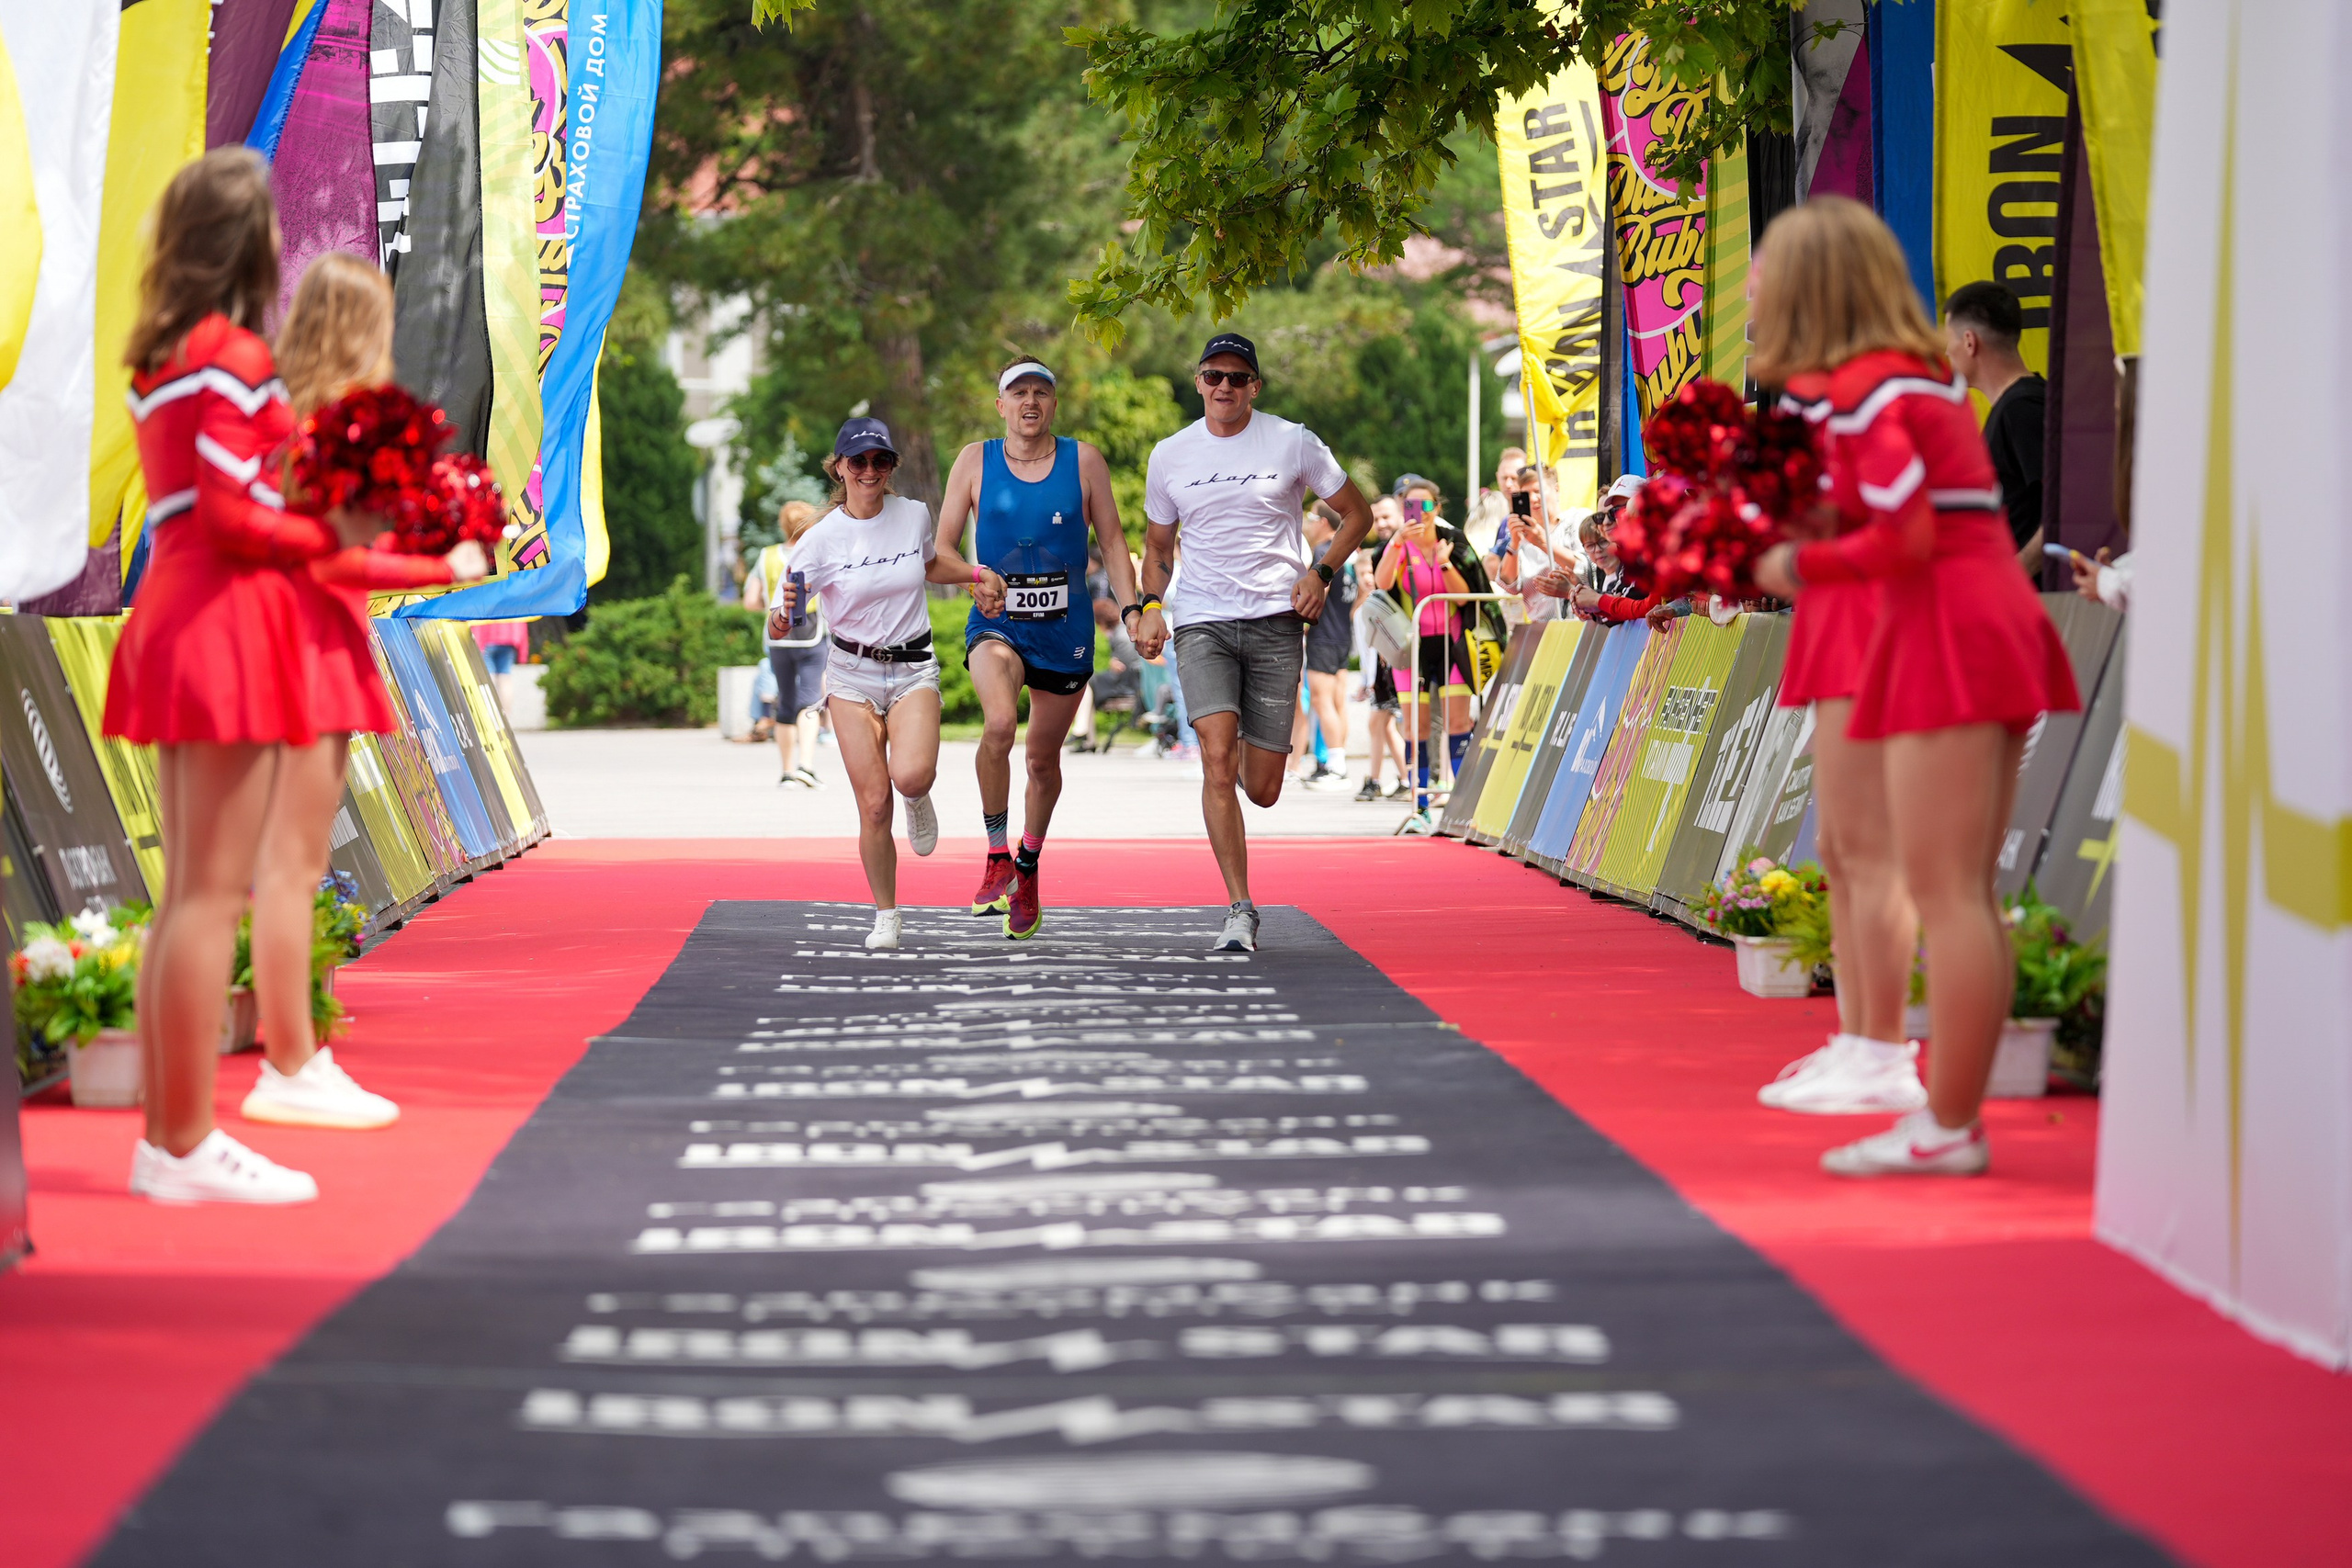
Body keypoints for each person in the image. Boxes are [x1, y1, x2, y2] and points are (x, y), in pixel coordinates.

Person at [1751, 197, 2081, 1177]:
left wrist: (1791, 567)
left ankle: (1945, 1125)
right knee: (1952, 889)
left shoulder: (1869, 390)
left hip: (1950, 630)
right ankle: (1942, 1116)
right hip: (1956, 626)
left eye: (1768, 269)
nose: (1753, 286)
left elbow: (1906, 535)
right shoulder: (1901, 386)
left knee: (1946, 892)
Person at [102, 152, 360, 1202]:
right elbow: (229, 510)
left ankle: (172, 1137)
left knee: (188, 900)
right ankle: (183, 1141)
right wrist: (318, 529)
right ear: (251, 244)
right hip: (223, 622)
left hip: (177, 613)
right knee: (212, 896)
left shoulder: (161, 354)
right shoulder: (231, 355)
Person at [1134, 333, 1376, 951]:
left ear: (1255, 387)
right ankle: (1240, 907)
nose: (1224, 387)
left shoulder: (1292, 440)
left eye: (1238, 378)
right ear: (1198, 382)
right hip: (1202, 620)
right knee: (1216, 756)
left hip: (1275, 619)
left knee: (1263, 787)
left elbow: (1358, 513)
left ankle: (1243, 736)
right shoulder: (1170, 454)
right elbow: (1159, 547)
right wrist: (1152, 606)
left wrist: (1321, 572)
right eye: (1214, 375)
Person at [771, 419, 1004, 951]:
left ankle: (917, 796)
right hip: (851, 675)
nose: (870, 471)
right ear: (839, 469)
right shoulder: (819, 539)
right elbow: (785, 619)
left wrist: (975, 573)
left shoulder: (912, 516)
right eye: (859, 462)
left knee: (912, 774)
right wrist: (783, 619)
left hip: (912, 668)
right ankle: (887, 914)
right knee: (873, 803)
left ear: (892, 467)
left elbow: (928, 564)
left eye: (881, 461)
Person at [934, 356, 1142, 939]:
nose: (1030, 402)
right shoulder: (974, 461)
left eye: (1041, 393)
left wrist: (1135, 610)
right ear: (999, 404)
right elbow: (940, 551)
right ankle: (996, 851)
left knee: (1041, 760)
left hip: (1065, 631)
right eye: (1017, 393)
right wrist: (976, 575)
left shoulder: (1085, 461)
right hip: (997, 624)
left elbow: (1115, 540)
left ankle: (1026, 864)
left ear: (1054, 403)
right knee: (1000, 724)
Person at [1372, 476, 1473, 819]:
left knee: (1458, 721)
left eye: (1427, 505)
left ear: (1437, 507)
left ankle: (1462, 805)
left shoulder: (1453, 540)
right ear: (1404, 509)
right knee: (1416, 725)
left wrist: (1444, 562)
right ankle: (1421, 804)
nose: (1420, 512)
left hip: (1454, 645)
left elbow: (1465, 597)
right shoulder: (1399, 545)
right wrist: (1398, 542)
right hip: (1412, 648)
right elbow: (1382, 582)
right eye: (1412, 506)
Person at [1944, 280, 2046, 572]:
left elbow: (2066, 511)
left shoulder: (2022, 409)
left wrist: (2012, 576)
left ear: (1969, 341)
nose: (1946, 353)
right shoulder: (2014, 407)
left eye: (1948, 341)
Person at [742, 498, 828, 787]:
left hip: (778, 639)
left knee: (786, 703)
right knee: (810, 701)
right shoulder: (817, 555)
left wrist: (774, 603)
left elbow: (751, 601)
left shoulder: (766, 556)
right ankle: (806, 764)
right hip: (812, 637)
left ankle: (787, 772)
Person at [1354, 496, 1411, 802]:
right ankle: (1398, 778)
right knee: (1384, 722)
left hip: (1407, 651)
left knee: (1402, 722)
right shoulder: (1380, 554)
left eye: (1387, 516)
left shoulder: (1413, 550)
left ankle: (1410, 779)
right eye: (1377, 519)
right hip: (1388, 656)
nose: (1383, 524)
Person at [1297, 502, 1356, 788]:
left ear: (1323, 522)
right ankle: (1337, 761)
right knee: (1335, 703)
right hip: (1343, 635)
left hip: (1324, 636)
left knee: (1321, 701)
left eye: (1310, 518)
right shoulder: (1348, 554)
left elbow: (1319, 590)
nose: (1307, 524)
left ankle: (1336, 766)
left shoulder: (1324, 553)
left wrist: (1302, 619)